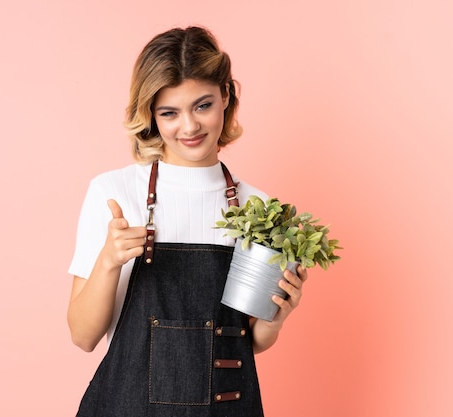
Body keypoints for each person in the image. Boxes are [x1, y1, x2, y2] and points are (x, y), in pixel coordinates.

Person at [67, 26, 308, 417]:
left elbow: (250, 342)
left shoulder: (261, 210)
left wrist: (278, 316)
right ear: (150, 114)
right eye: (169, 113)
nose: (190, 127)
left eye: (202, 105)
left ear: (226, 96)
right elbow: (82, 336)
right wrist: (108, 261)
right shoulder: (113, 193)